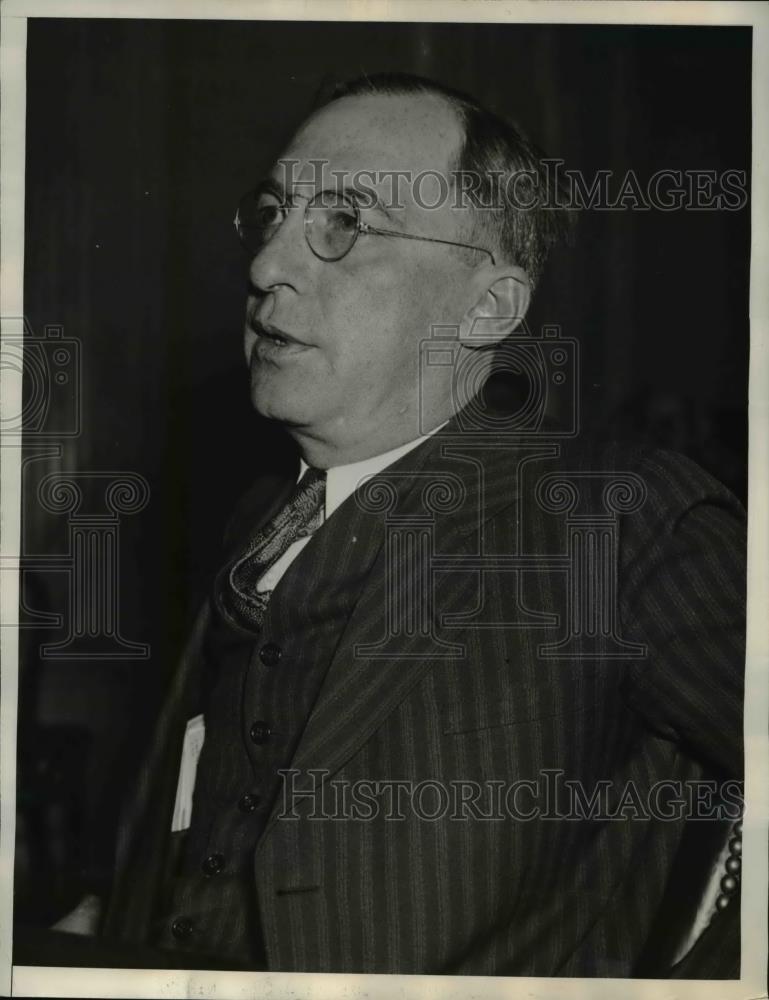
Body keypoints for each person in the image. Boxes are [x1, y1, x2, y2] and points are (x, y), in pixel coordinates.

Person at [68, 74, 746, 977]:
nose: (267, 265)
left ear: (486, 308)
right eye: (273, 213)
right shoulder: (253, 522)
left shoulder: (619, 520)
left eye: (344, 222)